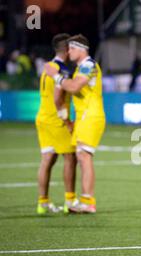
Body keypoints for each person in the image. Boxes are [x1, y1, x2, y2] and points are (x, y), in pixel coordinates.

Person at [44, 34, 106, 213]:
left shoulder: (89, 65)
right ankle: (84, 200)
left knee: (84, 156)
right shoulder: (80, 68)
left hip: (91, 117)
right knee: (81, 156)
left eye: (71, 48)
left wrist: (56, 76)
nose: (68, 51)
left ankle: (88, 201)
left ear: (80, 49)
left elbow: (73, 87)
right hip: (82, 118)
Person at [35, 33, 77, 214]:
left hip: (42, 118)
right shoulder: (61, 70)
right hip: (56, 120)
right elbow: (58, 98)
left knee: (47, 159)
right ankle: (70, 201)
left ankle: (43, 203)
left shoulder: (47, 67)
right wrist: (67, 120)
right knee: (71, 157)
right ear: (68, 50)